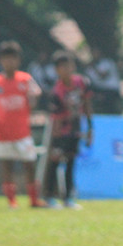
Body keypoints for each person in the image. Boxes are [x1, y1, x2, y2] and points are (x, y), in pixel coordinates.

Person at [0, 41, 45, 209]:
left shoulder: (25, 79)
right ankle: (12, 201)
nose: (9, 62)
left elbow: (35, 95)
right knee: (6, 165)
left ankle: (33, 199)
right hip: (2, 132)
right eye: (5, 59)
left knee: (29, 164)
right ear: (0, 60)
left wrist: (31, 103)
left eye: (12, 59)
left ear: (18, 60)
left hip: (22, 131)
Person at [44, 51, 93, 209]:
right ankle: (49, 196)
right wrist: (56, 138)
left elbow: (86, 104)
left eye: (68, 66)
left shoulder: (81, 83)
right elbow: (56, 117)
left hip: (76, 130)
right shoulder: (56, 92)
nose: (66, 69)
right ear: (57, 70)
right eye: (62, 67)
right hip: (60, 132)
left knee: (71, 162)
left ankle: (68, 198)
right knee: (55, 161)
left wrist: (90, 127)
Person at [86, 46, 121, 114]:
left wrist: (94, 68)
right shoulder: (89, 67)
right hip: (99, 90)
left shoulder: (107, 63)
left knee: (109, 106)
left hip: (111, 89)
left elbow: (103, 76)